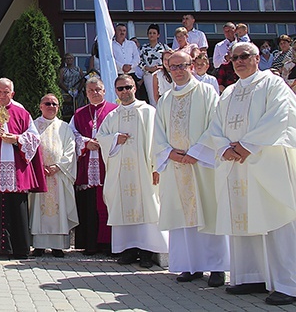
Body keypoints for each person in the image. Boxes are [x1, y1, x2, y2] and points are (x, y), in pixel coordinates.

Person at [201, 42, 296, 306]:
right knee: (243, 220)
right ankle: (250, 276)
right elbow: (215, 125)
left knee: (277, 221)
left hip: (266, 164)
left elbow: (281, 116)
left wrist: (247, 145)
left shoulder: (272, 84)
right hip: (236, 166)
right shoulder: (229, 92)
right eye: (234, 58)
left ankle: (289, 283)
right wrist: (224, 147)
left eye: (244, 56)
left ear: (257, 58)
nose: (239, 61)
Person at [153, 51, 228, 287]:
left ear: (192, 66)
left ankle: (217, 267)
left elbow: (216, 125)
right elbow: (158, 134)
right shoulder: (165, 99)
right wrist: (169, 153)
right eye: (172, 67)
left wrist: (197, 152)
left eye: (181, 65)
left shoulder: (206, 92)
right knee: (182, 216)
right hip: (176, 166)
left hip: (202, 165)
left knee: (209, 212)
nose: (177, 70)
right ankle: (190, 265)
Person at [97, 75, 168, 268]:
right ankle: (128, 250)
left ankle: (147, 252)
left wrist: (156, 168)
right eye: (120, 89)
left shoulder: (148, 112)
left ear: (135, 88)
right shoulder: (113, 115)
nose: (124, 92)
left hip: (144, 170)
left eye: (128, 87)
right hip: (121, 173)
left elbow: (158, 141)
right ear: (116, 91)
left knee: (148, 207)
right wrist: (114, 139)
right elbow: (100, 137)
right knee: (123, 206)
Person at [0, 78, 47, 259]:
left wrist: (17, 139)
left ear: (12, 94)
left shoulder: (23, 114)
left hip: (16, 170)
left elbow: (34, 138)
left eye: (6, 92)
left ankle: (19, 248)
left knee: (16, 208)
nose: (2, 95)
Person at [69, 77, 118, 255]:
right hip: (88, 166)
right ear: (86, 93)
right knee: (89, 206)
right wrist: (84, 143)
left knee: (108, 206)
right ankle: (90, 244)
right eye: (90, 91)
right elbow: (71, 136)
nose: (94, 93)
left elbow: (121, 134)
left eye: (98, 90)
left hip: (108, 166)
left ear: (104, 91)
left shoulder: (115, 111)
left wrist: (105, 142)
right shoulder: (79, 114)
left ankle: (110, 244)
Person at [30, 94, 78, 258]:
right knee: (38, 209)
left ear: (58, 107)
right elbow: (28, 147)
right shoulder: (33, 125)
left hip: (59, 175)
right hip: (40, 175)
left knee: (59, 210)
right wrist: (39, 167)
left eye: (54, 104)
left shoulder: (64, 127)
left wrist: (58, 166)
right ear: (40, 106)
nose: (51, 106)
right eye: (47, 103)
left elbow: (70, 150)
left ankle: (58, 246)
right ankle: (39, 246)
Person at [140, 24, 170, 105]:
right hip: (149, 75)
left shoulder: (164, 47)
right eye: (150, 33)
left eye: (154, 33)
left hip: (161, 74)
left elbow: (170, 59)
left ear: (158, 35)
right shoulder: (144, 48)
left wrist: (160, 67)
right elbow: (139, 61)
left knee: (163, 94)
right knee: (152, 98)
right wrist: (148, 68)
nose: (151, 35)